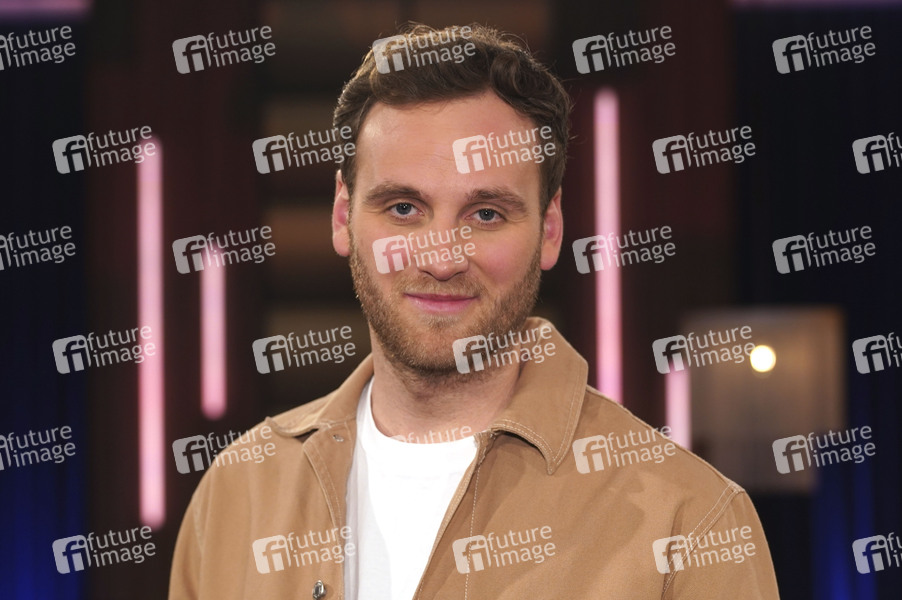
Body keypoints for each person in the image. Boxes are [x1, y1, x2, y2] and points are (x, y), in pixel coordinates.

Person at [169, 23, 781, 599]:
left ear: (549, 229)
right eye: (403, 208)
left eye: (485, 214)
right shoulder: (236, 492)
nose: (441, 259)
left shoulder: (691, 522)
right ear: (342, 216)